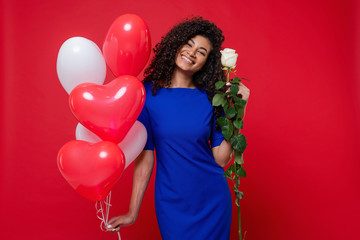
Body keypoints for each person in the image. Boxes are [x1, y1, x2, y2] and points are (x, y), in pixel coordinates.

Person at [106, 16, 250, 239]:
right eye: (189, 44)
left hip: (212, 200)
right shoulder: (148, 95)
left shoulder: (213, 98)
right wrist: (132, 212)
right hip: (171, 202)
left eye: (201, 52)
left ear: (207, 62)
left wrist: (239, 110)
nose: (192, 53)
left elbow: (221, 159)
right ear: (176, 44)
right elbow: (145, 156)